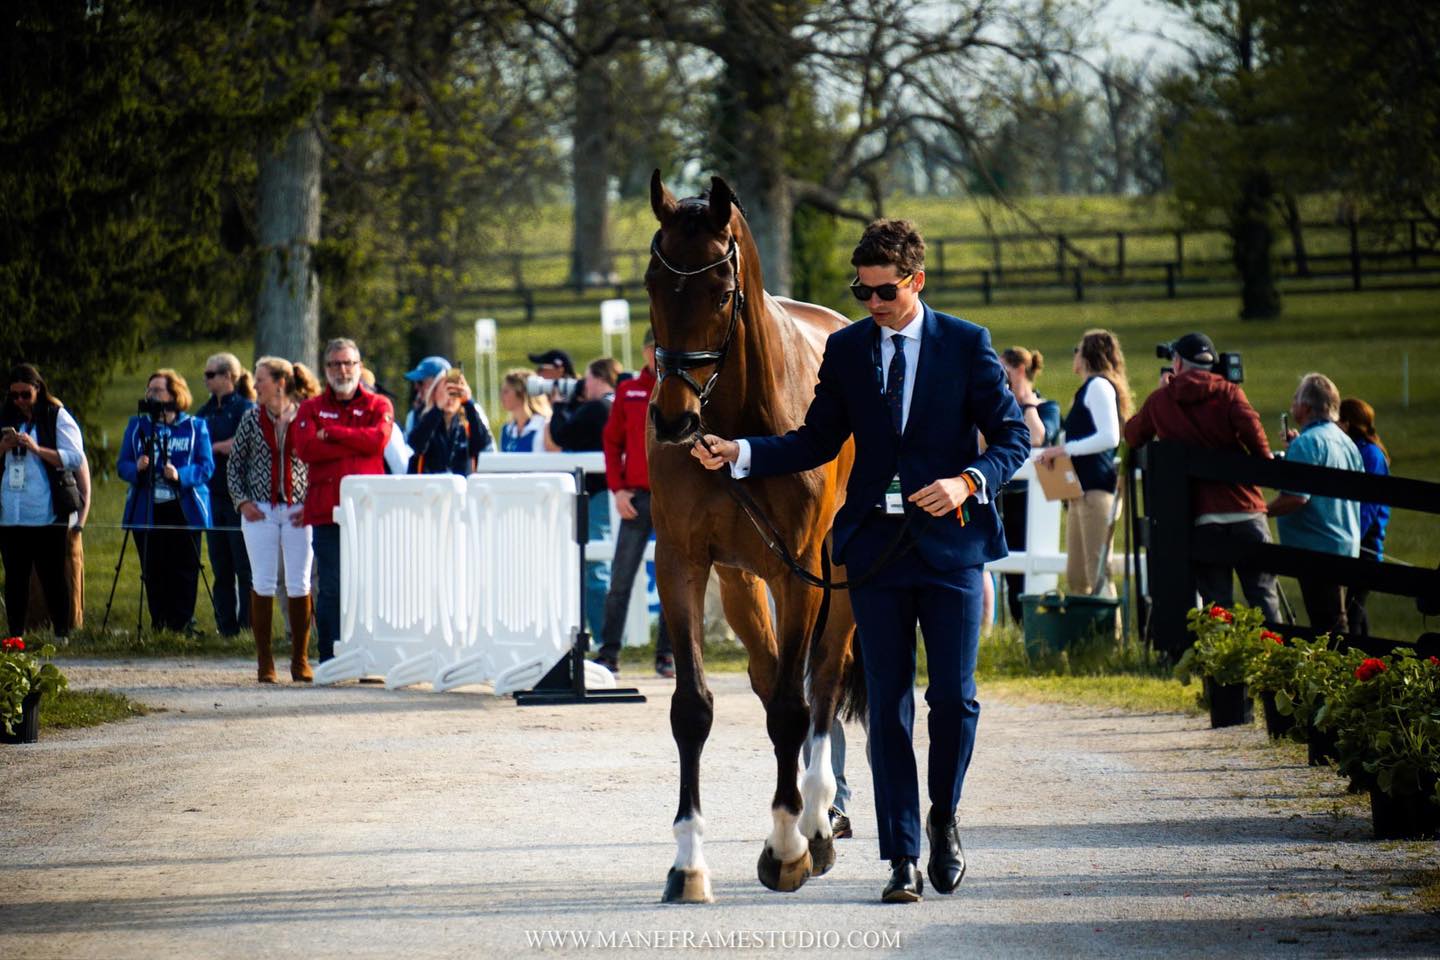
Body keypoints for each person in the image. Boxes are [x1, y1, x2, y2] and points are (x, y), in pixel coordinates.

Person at [692, 218, 1030, 903]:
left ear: (916, 281)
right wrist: (743, 452)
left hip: (952, 547)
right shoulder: (847, 351)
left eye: (885, 291)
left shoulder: (966, 345)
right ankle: (902, 856)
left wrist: (968, 480)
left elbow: (1013, 436)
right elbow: (815, 439)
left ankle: (945, 820)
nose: (872, 303)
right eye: (863, 291)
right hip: (872, 554)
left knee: (954, 701)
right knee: (888, 708)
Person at [1123, 333, 1281, 622]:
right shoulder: (1229, 391)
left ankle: (1221, 663)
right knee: (1263, 595)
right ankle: (1275, 659)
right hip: (1245, 508)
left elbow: (1133, 434)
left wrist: (1161, 394)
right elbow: (1255, 436)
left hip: (1203, 515)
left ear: (1178, 362)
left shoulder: (1162, 400)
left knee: (1217, 602)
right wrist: (1265, 459)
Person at [293, 338, 394, 662]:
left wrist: (333, 432)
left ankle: (370, 655)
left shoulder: (379, 405)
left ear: (359, 366)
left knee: (369, 585)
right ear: (326, 370)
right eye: (336, 364)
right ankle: (331, 658)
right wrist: (355, 441)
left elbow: (377, 442)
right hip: (326, 511)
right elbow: (307, 449)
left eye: (349, 362)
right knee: (332, 586)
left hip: (368, 512)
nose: (343, 369)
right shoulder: (309, 408)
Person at [229, 357, 322, 683]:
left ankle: (300, 659)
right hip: (260, 510)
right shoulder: (250, 419)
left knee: (300, 583)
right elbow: (234, 466)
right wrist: (242, 501)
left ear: (280, 383)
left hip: (298, 511)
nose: (255, 386)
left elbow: (318, 463)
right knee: (263, 582)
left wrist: (310, 502)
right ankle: (265, 662)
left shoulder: (305, 417)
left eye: (261, 380)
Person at [594, 329, 673, 678]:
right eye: (655, 348)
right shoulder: (628, 391)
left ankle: (668, 655)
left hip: (674, 499)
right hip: (637, 498)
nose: (659, 355)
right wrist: (618, 490)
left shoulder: (681, 388)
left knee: (675, 579)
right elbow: (611, 443)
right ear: (644, 351)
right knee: (620, 579)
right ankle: (609, 654)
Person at [117, 369, 214, 633]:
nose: (151, 395)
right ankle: (159, 624)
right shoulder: (137, 426)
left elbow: (206, 467)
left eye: (157, 391)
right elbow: (121, 465)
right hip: (147, 508)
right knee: (154, 568)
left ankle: (182, 624)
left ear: (174, 394)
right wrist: (135, 467)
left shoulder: (195, 427)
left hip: (183, 506)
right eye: (148, 391)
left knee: (184, 567)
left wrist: (180, 475)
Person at [1037, 329, 1132, 598]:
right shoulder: (1089, 389)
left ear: (1087, 356)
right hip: (1081, 493)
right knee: (1077, 576)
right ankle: (1085, 637)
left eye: (1077, 350)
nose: (1074, 356)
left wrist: (1063, 449)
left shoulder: (1099, 386)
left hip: (1095, 490)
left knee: (1097, 571)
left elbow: (1110, 436)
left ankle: (1110, 637)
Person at [1267, 373, 1362, 635]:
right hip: (1346, 542)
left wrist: (1261, 511)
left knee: (1328, 624)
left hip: (1316, 545)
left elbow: (1296, 497)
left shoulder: (1308, 444)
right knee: (1336, 616)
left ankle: (1337, 672)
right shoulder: (1345, 441)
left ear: (1307, 407)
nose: (1292, 404)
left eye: (1296, 399)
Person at [0, 364, 86, 639]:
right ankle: (15, 635)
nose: (20, 401)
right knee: (14, 578)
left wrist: (37, 449)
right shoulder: (4, 416)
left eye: (25, 394)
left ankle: (62, 632)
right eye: (14, 395)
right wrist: (3, 447)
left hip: (47, 512)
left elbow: (74, 457)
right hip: (11, 513)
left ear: (38, 389)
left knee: (52, 576)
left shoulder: (55, 415)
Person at [546, 357, 619, 642]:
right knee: (597, 566)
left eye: (587, 379)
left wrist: (559, 405)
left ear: (598, 378)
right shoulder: (613, 405)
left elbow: (562, 435)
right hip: (608, 493)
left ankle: (604, 638)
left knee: (593, 567)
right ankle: (606, 637)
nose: (583, 384)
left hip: (596, 495)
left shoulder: (598, 407)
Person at [997, 347, 1061, 623]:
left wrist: (1028, 403)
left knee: (1030, 572)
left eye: (1005, 372)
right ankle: (1016, 624)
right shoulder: (1002, 407)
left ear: (1019, 371)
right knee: (1011, 571)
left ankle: (1034, 626)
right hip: (1006, 496)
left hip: (1032, 501)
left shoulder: (1048, 408)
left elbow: (1037, 437)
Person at [197, 352, 256, 638]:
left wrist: (218, 447)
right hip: (213, 496)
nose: (206, 380)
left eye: (211, 375)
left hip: (239, 497)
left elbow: (245, 442)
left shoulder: (246, 408)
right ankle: (226, 628)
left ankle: (248, 627)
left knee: (244, 567)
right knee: (221, 567)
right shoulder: (204, 412)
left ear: (228, 377)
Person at [1338, 396, 1389, 636]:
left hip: (1363, 544)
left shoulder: (1370, 455)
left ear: (1348, 423)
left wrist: (1350, 536)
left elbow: (1367, 508)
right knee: (1355, 610)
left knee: (1352, 615)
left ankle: (1359, 665)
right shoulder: (1360, 451)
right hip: (1356, 540)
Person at [407, 368, 488, 475]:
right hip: (431, 488)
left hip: (462, 488)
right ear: (434, 393)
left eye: (454, 392)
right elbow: (416, 445)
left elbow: (481, 443)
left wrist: (468, 402)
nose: (450, 398)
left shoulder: (466, 424)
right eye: (445, 391)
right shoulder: (425, 418)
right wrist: (438, 409)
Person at [498, 369, 551, 452]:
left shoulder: (543, 426)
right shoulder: (507, 429)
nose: (501, 396)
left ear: (522, 394)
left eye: (506, 391)